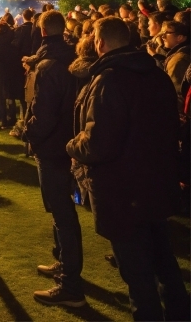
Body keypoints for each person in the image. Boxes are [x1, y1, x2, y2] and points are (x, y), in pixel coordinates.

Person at [67, 16, 189, 322]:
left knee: (138, 276)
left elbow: (99, 143)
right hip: (157, 183)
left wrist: (72, 145)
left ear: (101, 42)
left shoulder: (109, 80)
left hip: (123, 191)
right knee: (164, 263)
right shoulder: (155, 73)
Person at [22, 9, 84, 308]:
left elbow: (43, 113)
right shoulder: (74, 60)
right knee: (63, 211)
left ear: (42, 32)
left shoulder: (49, 66)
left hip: (52, 146)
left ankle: (70, 284)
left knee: (62, 212)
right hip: (69, 142)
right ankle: (63, 264)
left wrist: (27, 131)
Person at [160, 21, 190, 112]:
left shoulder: (178, 60)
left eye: (167, 33)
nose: (163, 36)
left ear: (180, 37)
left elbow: (176, 91)